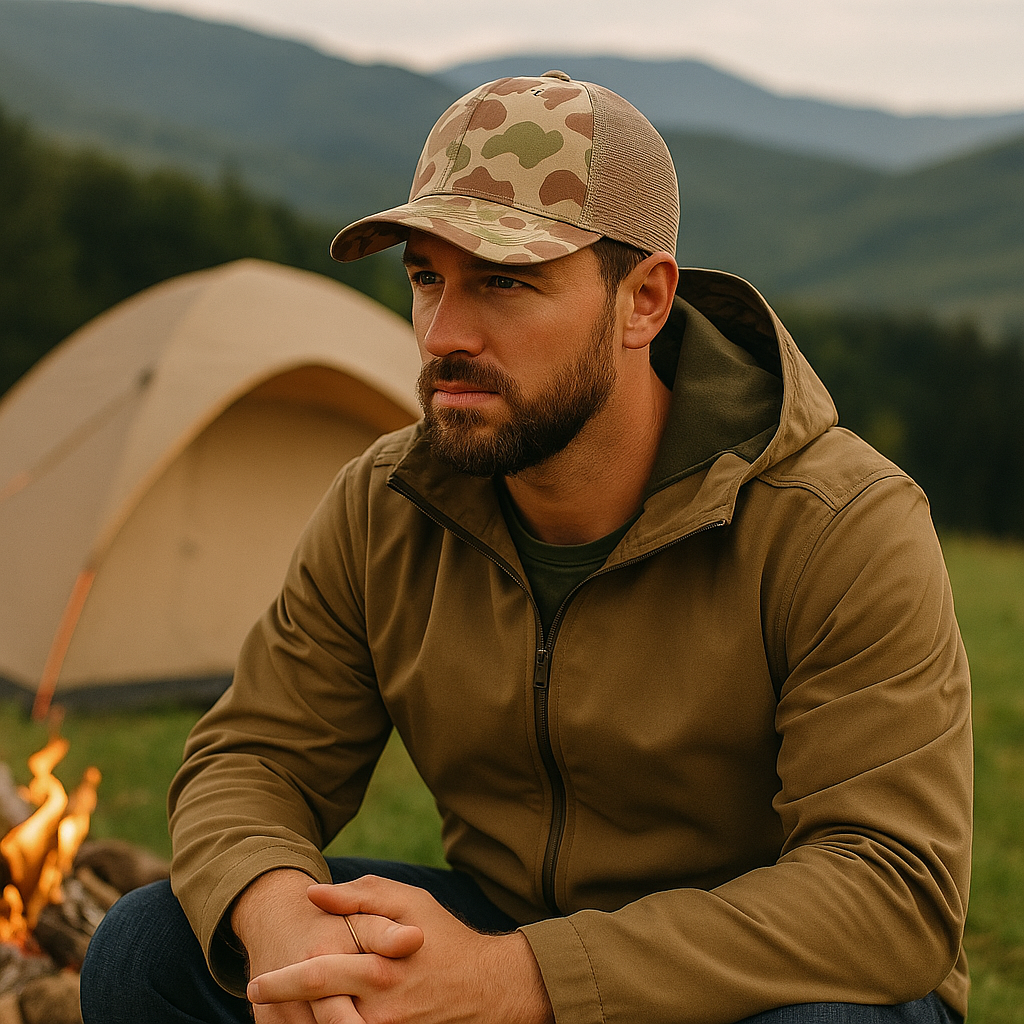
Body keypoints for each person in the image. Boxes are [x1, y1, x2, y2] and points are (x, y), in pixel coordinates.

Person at [81, 71, 972, 1024]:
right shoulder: (389, 503)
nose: (443, 334)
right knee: (149, 950)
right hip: (503, 926)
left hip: (740, 975)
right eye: (427, 277)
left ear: (643, 301)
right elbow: (254, 758)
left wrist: (520, 981)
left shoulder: (839, 523)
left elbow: (892, 888)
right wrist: (278, 916)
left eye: (503, 281)